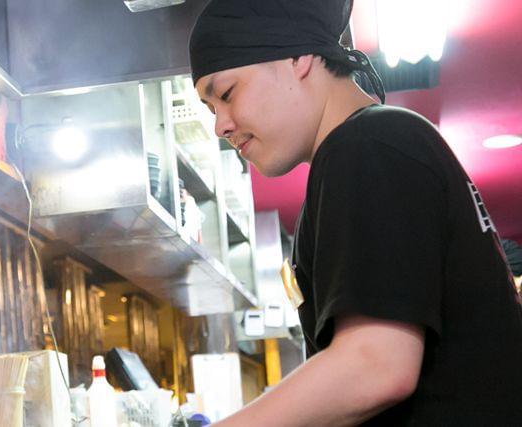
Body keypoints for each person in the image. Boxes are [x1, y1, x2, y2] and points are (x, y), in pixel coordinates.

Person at [188, 0, 522, 425]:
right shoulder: (370, 148)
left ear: (298, 57)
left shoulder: (368, 145)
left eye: (227, 93)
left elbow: (377, 365)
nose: (220, 125)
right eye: (210, 108)